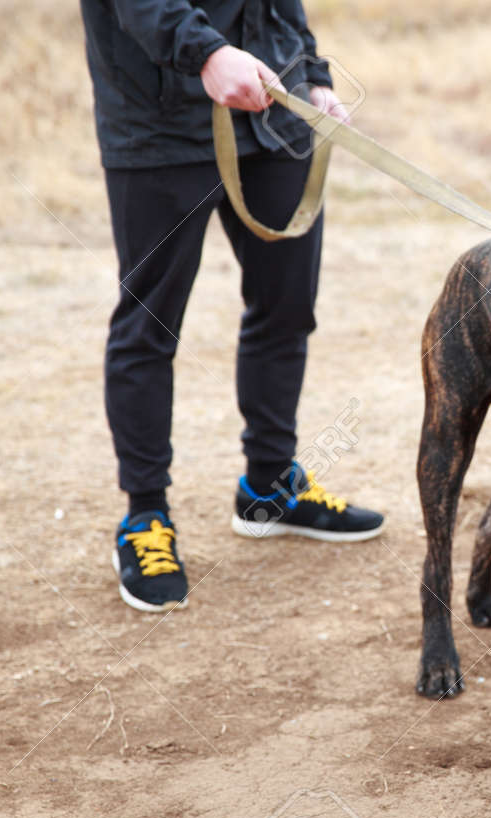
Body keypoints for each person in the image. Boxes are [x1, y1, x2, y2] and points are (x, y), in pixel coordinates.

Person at [79, 0, 384, 613]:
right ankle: (145, 519)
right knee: (149, 326)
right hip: (157, 123)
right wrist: (207, 52)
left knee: (287, 307)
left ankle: (268, 489)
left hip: (273, 114)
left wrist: (313, 73)